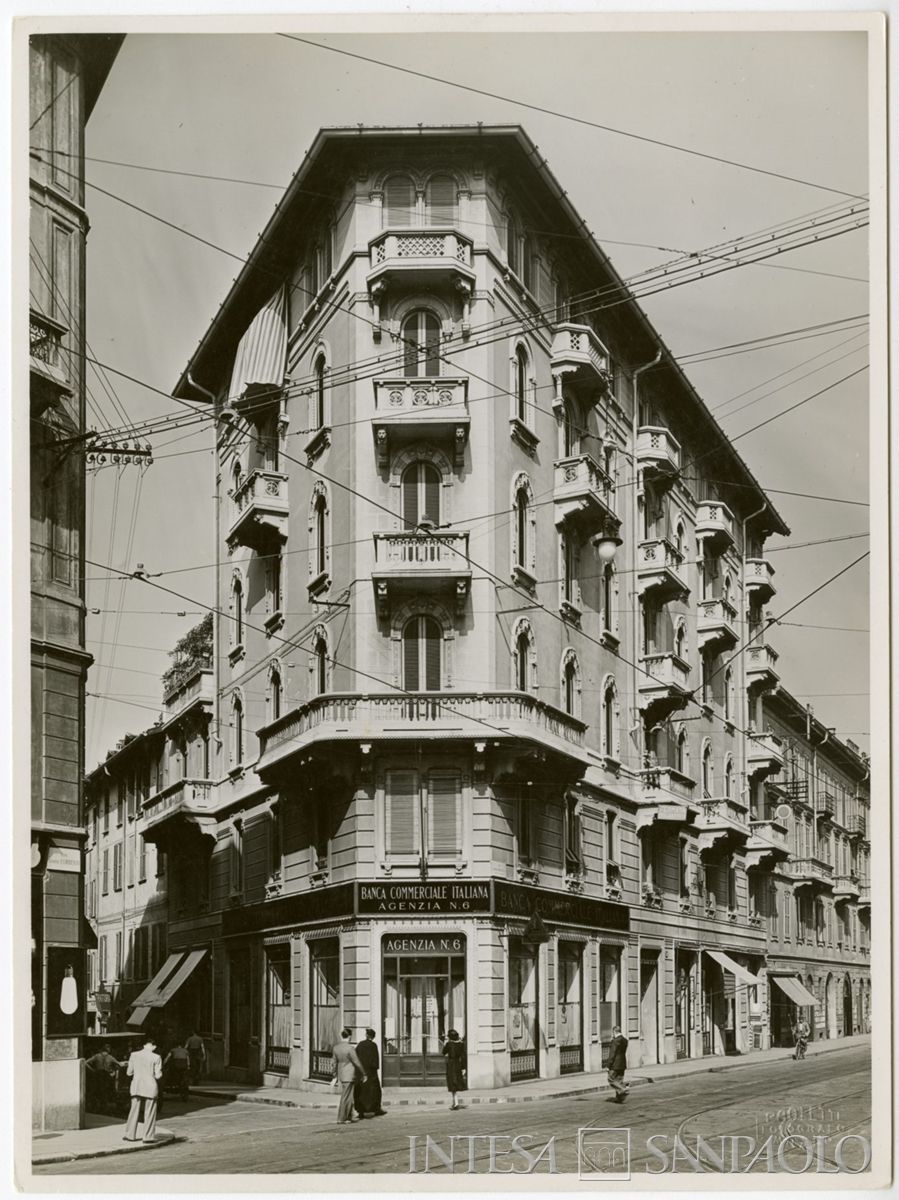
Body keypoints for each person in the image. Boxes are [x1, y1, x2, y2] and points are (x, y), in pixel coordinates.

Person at [124, 1037, 163, 1143]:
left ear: (144, 1045)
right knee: (149, 1112)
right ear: (154, 1047)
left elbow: (129, 1072)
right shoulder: (156, 1057)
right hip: (150, 1086)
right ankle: (148, 1137)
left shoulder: (134, 1055)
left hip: (137, 1085)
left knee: (134, 1110)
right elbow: (158, 1075)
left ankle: (130, 1135)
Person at [331, 1028, 367, 1125]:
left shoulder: (336, 1048)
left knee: (347, 1096)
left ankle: (348, 1116)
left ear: (341, 1036)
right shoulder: (350, 1048)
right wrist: (364, 1073)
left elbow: (334, 1063)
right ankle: (342, 1118)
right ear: (349, 1036)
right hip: (350, 1074)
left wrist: (334, 1075)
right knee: (347, 1097)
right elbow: (357, 1062)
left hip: (341, 1074)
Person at [354, 1028, 386, 1118]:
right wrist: (375, 1068)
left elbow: (355, 1056)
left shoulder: (360, 1044)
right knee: (375, 1091)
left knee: (361, 1092)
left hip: (361, 1072)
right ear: (373, 1036)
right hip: (371, 1073)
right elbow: (375, 1061)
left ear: (367, 1035)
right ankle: (376, 1109)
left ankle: (361, 1111)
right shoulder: (373, 1046)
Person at [85, 1043, 121, 1111]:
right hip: (106, 1076)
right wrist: (113, 1071)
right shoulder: (110, 1057)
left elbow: (85, 1062)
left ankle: (96, 1106)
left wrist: (92, 1070)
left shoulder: (97, 1056)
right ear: (108, 1049)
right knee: (105, 1091)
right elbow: (119, 1064)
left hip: (97, 1075)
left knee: (96, 1090)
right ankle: (104, 1106)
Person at [442, 1029, 466, 1110]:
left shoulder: (449, 1044)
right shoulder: (461, 1044)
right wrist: (463, 1068)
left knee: (452, 1084)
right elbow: (463, 1056)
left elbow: (443, 1052)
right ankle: (455, 1102)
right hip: (458, 1064)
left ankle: (456, 1103)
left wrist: (445, 1044)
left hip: (451, 1065)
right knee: (455, 1083)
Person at [607, 1025, 629, 1102]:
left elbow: (612, 1054)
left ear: (614, 1032)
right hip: (622, 1063)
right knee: (619, 1080)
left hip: (615, 1064)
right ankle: (619, 1099)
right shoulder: (625, 1040)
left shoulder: (615, 1041)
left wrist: (608, 1065)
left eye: (612, 1032)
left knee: (610, 1079)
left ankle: (622, 1089)